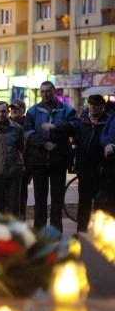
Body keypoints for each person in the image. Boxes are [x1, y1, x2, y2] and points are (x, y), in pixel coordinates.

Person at [23, 81, 77, 231]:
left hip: (59, 161)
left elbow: (75, 127)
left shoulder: (66, 109)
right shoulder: (33, 110)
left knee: (57, 200)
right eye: (42, 91)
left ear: (54, 91)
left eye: (48, 91)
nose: (45, 94)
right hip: (38, 161)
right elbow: (27, 132)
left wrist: (55, 127)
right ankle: (39, 230)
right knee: (40, 199)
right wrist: (43, 143)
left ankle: (55, 230)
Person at [70, 94, 107, 233]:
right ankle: (81, 232)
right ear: (88, 105)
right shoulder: (81, 121)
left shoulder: (107, 122)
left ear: (103, 106)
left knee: (101, 204)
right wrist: (74, 161)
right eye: (91, 104)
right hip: (84, 168)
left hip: (102, 169)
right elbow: (75, 142)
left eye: (97, 105)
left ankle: (99, 234)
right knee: (84, 204)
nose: (94, 107)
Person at [9, 99, 30, 220]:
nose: (13, 112)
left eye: (16, 109)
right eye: (12, 109)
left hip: (24, 168)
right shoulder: (7, 123)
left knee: (21, 196)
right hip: (8, 167)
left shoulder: (28, 124)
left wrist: (29, 170)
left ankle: (21, 221)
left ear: (23, 111)